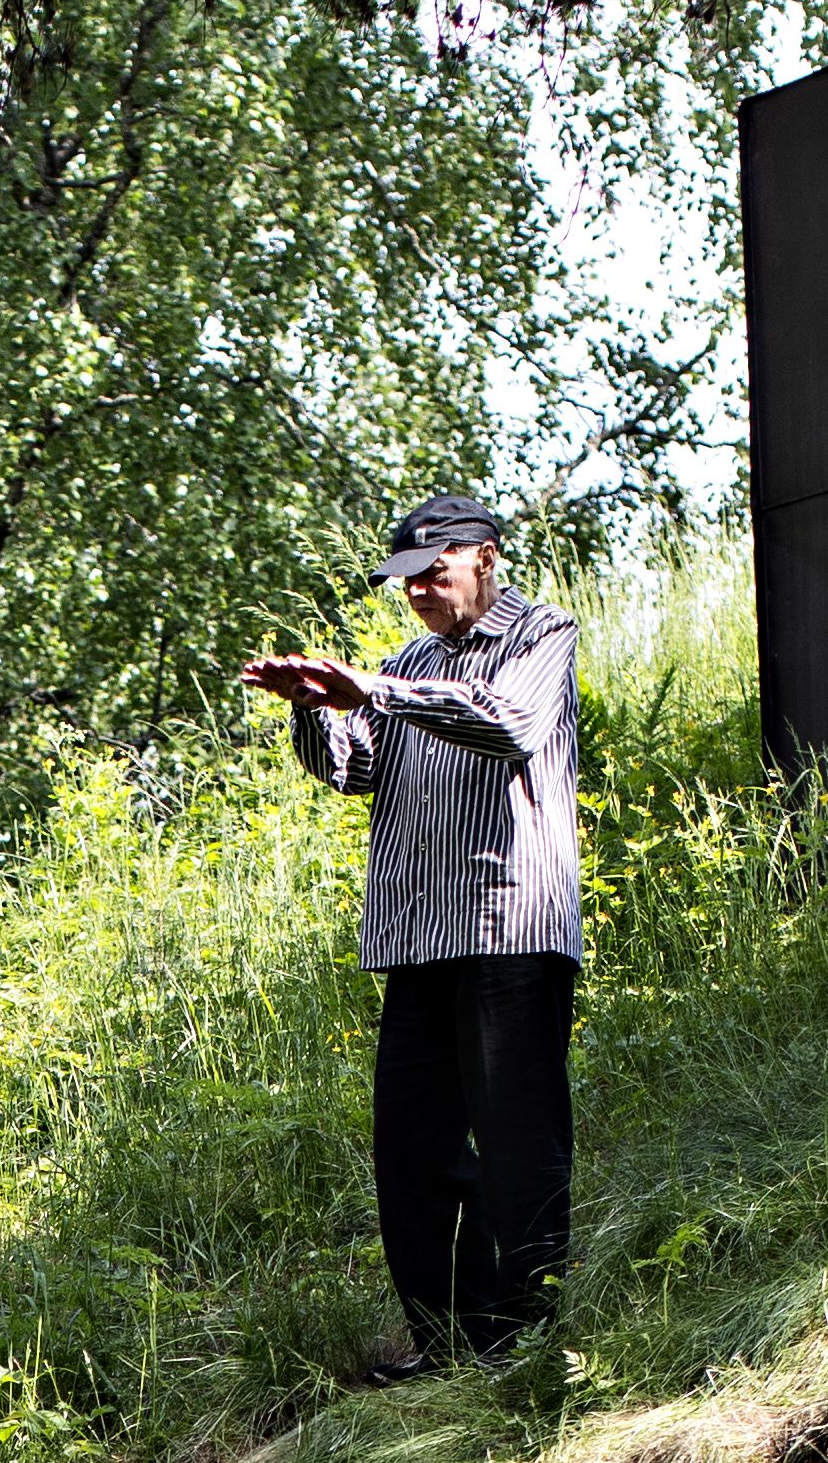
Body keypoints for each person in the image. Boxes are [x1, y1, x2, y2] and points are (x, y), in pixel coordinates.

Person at [242, 484, 583, 1378]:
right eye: (408, 581)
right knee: (414, 1154)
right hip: (416, 940)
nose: (421, 592)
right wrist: (312, 705)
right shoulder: (407, 658)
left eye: (433, 573)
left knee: (519, 1145)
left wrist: (379, 691)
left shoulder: (541, 634)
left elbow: (510, 727)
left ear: (484, 557)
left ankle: (534, 1341)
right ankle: (455, 1347)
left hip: (510, 924)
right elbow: (351, 769)